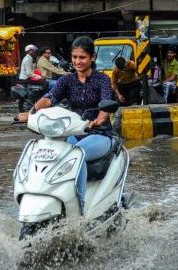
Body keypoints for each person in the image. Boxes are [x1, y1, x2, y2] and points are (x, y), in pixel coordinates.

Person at [17, 36, 114, 214]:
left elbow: (106, 103)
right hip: (73, 131)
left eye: (82, 57)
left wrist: (97, 121)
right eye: (74, 57)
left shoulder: (102, 80)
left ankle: (79, 207)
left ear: (92, 57)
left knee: (77, 154)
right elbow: (49, 98)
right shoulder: (67, 80)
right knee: (50, 152)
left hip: (99, 133)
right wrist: (31, 113)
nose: (77, 61)